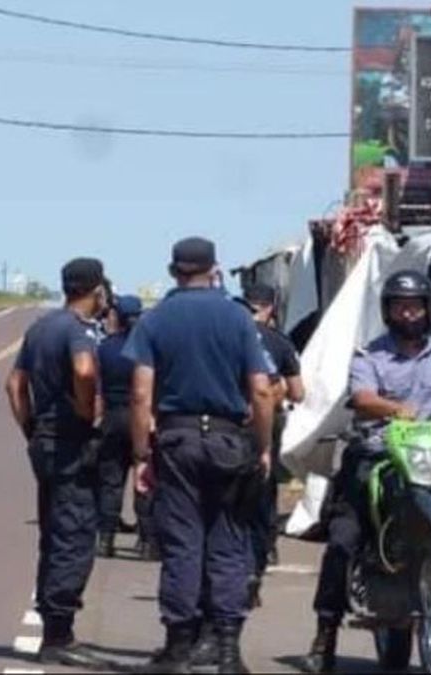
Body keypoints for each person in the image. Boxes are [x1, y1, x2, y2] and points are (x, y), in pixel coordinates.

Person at [302, 269, 431, 675]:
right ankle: (325, 637)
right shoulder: (369, 355)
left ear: (428, 309)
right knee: (343, 538)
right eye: (400, 307)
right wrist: (393, 409)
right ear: (388, 311)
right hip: (379, 456)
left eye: (415, 307)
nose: (408, 314)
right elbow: (362, 397)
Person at [124, 237, 275, 674]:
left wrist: (141, 454)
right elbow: (262, 390)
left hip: (178, 438)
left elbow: (140, 394)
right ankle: (227, 649)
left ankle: (178, 647)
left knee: (182, 545)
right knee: (229, 544)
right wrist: (263, 445)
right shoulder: (237, 317)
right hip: (229, 438)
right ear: (215, 270)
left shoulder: (155, 320)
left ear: (174, 272)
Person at [4, 258, 109, 668]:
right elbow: (84, 370)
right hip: (70, 440)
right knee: (74, 535)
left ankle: (53, 622)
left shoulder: (41, 328)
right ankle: (59, 634)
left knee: (53, 532)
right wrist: (86, 412)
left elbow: (15, 385)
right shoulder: (77, 330)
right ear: (96, 290)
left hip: (45, 438)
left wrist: (30, 427)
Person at [242, 283, 305, 582]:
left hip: (229, 420)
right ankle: (265, 548)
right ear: (270, 308)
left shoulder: (230, 335)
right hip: (267, 420)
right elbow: (299, 392)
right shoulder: (279, 342)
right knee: (265, 487)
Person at [95, 294, 143, 559]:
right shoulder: (147, 347)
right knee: (144, 478)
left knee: (111, 481)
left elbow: (98, 387)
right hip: (141, 416)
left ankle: (106, 538)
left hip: (113, 416)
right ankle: (147, 539)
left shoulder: (106, 348)